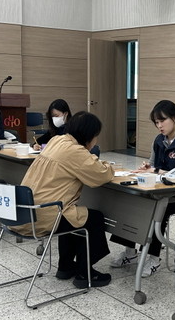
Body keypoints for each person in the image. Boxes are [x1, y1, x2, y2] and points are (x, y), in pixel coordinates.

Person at [12, 111, 115, 288]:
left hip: (25, 211)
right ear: (89, 135)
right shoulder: (75, 151)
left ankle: (65, 266)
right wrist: (106, 164)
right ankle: (85, 274)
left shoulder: (56, 140)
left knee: (72, 213)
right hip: (43, 214)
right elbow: (101, 175)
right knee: (93, 219)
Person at [109, 100, 175, 276]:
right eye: (156, 122)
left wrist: (155, 171)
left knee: (157, 208)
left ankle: (154, 258)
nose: (159, 126)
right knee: (131, 201)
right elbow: (152, 165)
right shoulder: (159, 140)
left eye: (162, 121)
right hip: (159, 190)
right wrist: (147, 168)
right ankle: (130, 252)